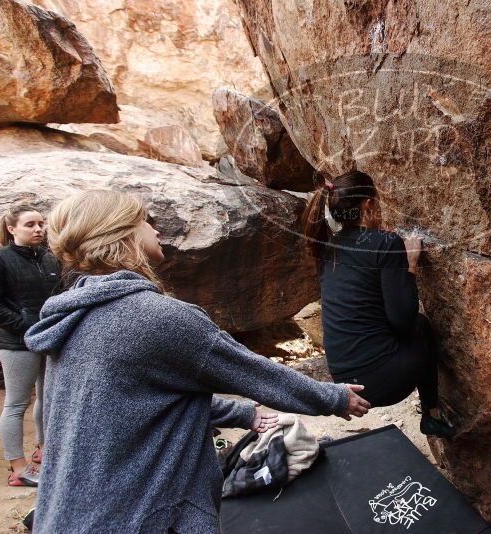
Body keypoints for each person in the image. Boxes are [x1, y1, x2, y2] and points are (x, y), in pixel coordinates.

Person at [23, 189, 370, 533]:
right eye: (145, 221)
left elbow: (140, 401)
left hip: (69, 514)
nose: (156, 231)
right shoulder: (155, 317)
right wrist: (335, 397)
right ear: (122, 233)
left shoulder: (76, 318)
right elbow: (253, 372)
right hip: (141, 515)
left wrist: (245, 414)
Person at [301, 170, 455, 439]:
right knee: (420, 325)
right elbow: (403, 320)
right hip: (383, 383)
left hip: (346, 383)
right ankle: (432, 414)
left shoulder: (328, 248)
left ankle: (431, 416)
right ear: (369, 205)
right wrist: (411, 264)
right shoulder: (384, 244)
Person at [0, 204, 61, 487]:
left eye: (41, 224)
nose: (38, 229)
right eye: (30, 224)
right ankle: (18, 469)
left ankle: (44, 451)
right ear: (12, 228)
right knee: (17, 403)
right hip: (17, 344)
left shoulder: (49, 258)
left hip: (49, 339)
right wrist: (30, 328)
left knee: (48, 397)